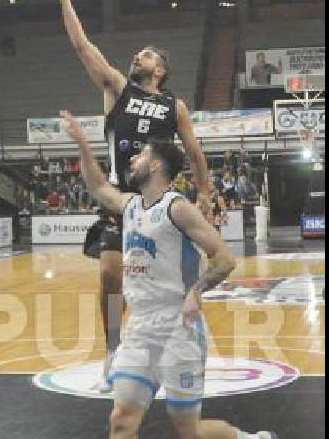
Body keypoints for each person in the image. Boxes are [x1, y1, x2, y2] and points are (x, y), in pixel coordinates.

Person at [61, 111, 277, 439]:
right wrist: (81, 144)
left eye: (142, 154)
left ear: (158, 165)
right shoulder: (132, 205)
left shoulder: (177, 208)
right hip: (141, 326)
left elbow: (224, 258)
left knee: (189, 432)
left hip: (179, 326)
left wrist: (197, 290)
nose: (133, 158)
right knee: (121, 422)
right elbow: (99, 187)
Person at [51, 0, 211, 392]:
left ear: (160, 69)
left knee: (161, 283)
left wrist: (207, 189)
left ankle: (171, 347)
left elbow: (194, 152)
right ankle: (111, 350)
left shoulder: (174, 106)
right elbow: (82, 46)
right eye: (138, 53)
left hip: (160, 201)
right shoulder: (118, 89)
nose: (138, 55)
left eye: (147, 54)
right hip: (120, 197)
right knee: (110, 276)